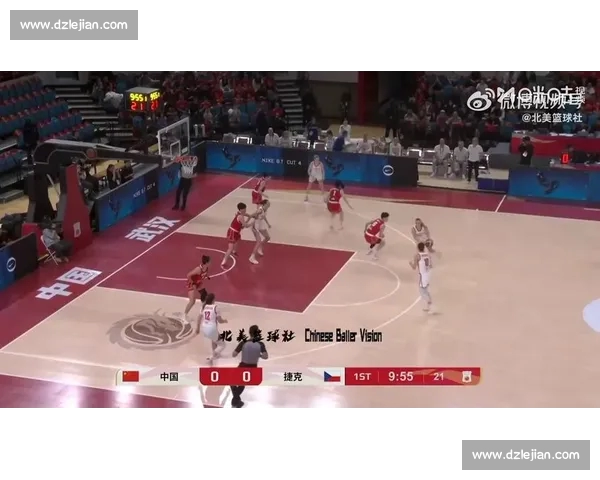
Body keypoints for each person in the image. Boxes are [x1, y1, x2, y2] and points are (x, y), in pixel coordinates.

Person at [230, 324, 268, 408]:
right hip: (253, 369)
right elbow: (265, 356)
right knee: (242, 383)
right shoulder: (260, 344)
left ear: (249, 333)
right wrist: (258, 355)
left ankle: (235, 400)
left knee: (231, 380)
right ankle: (236, 401)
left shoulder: (243, 343)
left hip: (243, 366)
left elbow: (234, 354)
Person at [199, 293, 228, 365]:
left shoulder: (203, 306)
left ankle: (215, 354)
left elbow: (199, 317)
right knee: (222, 345)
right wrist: (225, 321)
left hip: (204, 327)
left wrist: (197, 327)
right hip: (211, 328)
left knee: (214, 340)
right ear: (213, 300)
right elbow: (220, 321)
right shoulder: (215, 307)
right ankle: (211, 357)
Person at [221, 202, 253, 268]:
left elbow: (247, 215)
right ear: (241, 209)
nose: (245, 210)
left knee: (238, 240)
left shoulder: (240, 213)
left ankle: (234, 251)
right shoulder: (240, 216)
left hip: (236, 232)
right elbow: (246, 226)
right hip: (232, 232)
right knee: (230, 248)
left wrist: (250, 216)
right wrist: (252, 223)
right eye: (244, 209)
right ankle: (224, 260)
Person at [183, 255, 211, 321]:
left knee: (205, 296)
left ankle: (203, 312)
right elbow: (188, 275)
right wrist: (193, 284)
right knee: (192, 301)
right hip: (192, 284)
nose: (211, 262)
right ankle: (184, 315)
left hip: (198, 283)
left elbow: (203, 274)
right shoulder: (198, 269)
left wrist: (206, 276)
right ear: (206, 262)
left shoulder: (206, 268)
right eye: (210, 261)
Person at [409, 242, 433, 312]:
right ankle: (429, 307)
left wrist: (410, 263)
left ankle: (429, 301)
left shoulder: (417, 256)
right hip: (428, 273)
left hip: (423, 275)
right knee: (426, 290)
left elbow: (414, 267)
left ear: (418, 248)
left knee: (422, 291)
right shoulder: (428, 254)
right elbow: (431, 265)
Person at [249, 199, 271, 265]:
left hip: (260, 224)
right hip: (255, 226)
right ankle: (252, 257)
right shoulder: (260, 210)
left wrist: (268, 223)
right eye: (268, 203)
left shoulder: (265, 209)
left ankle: (260, 247)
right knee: (258, 241)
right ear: (265, 204)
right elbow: (252, 215)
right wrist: (246, 223)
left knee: (267, 237)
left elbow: (264, 217)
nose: (269, 204)